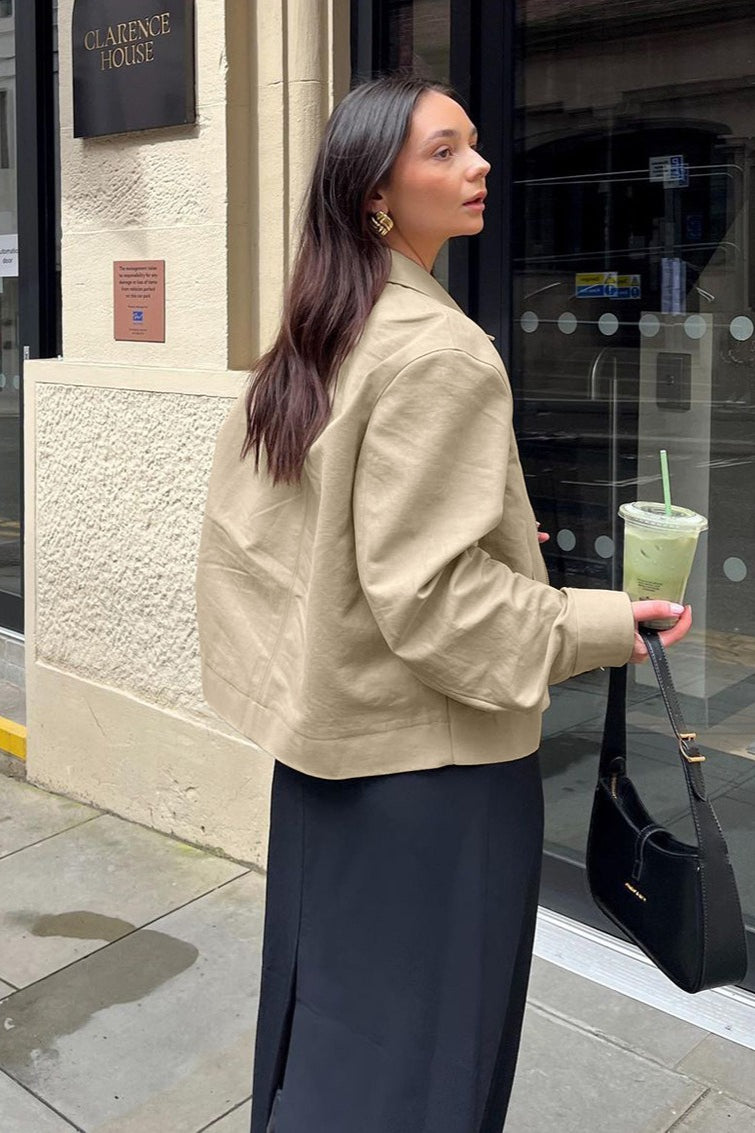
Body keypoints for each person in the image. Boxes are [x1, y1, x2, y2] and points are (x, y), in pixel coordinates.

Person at [195, 75, 692, 1133]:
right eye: (443, 150)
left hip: (328, 755)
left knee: (328, 1034)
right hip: (432, 771)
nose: (478, 165)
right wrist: (607, 622)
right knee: (422, 1067)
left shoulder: (327, 321)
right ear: (375, 192)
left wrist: (498, 544)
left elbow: (285, 532)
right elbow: (433, 601)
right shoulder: (438, 349)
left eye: (471, 143)